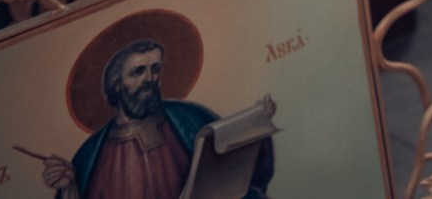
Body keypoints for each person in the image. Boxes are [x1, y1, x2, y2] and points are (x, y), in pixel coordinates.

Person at [47, 40, 273, 199]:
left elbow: (241, 168)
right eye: (137, 72)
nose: (150, 78)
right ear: (116, 83)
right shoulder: (90, 156)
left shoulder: (190, 119)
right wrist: (69, 189)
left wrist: (255, 124)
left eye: (155, 69)